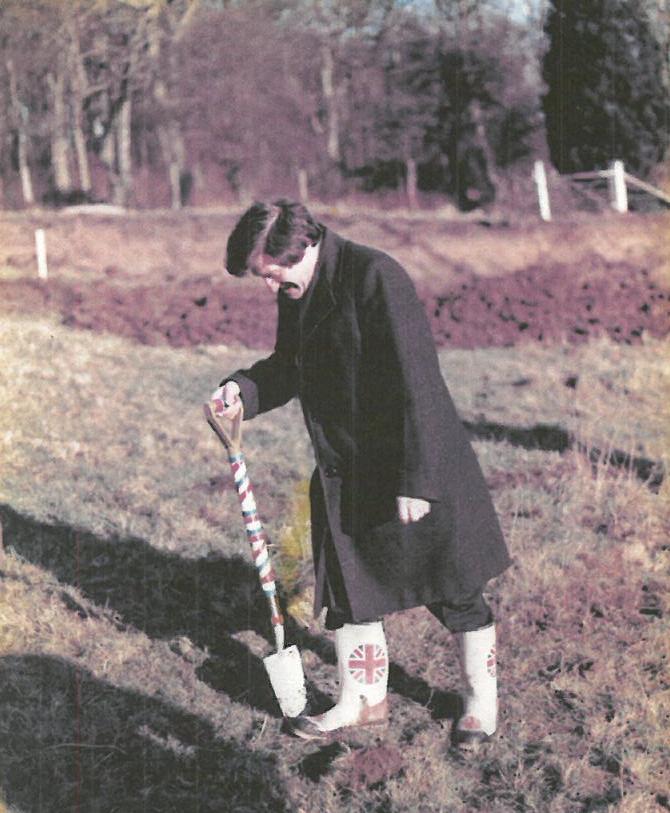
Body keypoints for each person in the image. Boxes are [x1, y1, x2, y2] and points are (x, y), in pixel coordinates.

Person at [210, 199, 511, 748]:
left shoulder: (376, 276)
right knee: (348, 588)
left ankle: (478, 704)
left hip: (409, 461)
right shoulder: (298, 289)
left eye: (272, 273)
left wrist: (416, 479)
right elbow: (287, 365)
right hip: (344, 467)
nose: (269, 286)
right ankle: (362, 701)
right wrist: (244, 392)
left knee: (453, 586)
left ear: (302, 248)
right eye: (262, 277)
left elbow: (418, 380)